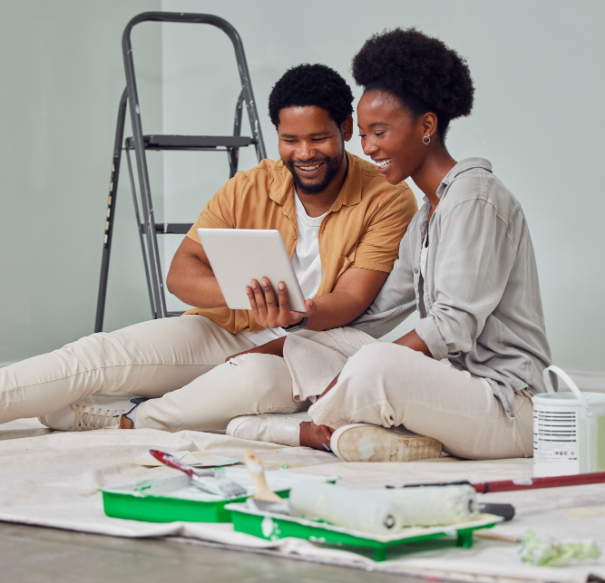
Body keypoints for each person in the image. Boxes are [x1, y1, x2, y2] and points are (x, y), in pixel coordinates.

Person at [0, 64, 417, 457]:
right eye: (291, 139)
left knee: (252, 384)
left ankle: (132, 418)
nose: (304, 152)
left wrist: (293, 313)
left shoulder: (389, 199)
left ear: (346, 129)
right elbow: (182, 271)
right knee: (100, 354)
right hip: (227, 327)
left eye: (318, 137)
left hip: (309, 351)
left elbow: (350, 301)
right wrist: (246, 298)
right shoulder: (253, 183)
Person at [228, 29, 552, 462]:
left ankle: (297, 429)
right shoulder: (426, 217)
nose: (368, 148)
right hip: (460, 392)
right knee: (336, 346)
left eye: (379, 131)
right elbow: (376, 313)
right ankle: (350, 427)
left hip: (511, 406)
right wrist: (298, 324)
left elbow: (453, 326)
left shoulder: (474, 198)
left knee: (374, 364)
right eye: (362, 134)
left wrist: (350, 374)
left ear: (427, 126)